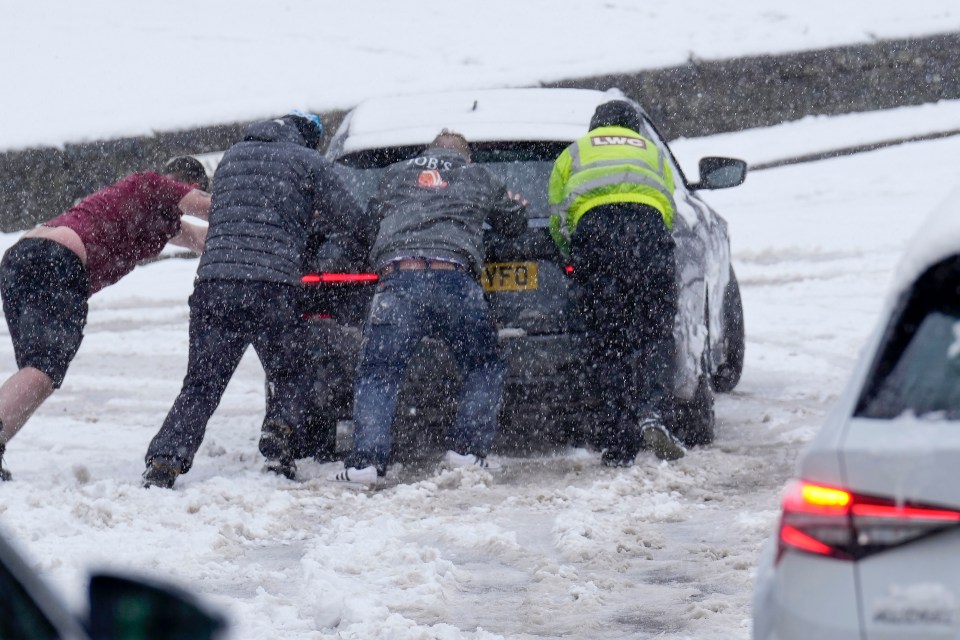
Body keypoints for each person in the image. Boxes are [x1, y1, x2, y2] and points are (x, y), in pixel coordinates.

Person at [142, 111, 366, 489]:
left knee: (201, 383)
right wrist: (321, 254)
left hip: (216, 282)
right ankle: (279, 442)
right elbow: (351, 217)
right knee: (290, 373)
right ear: (306, 138)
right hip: (272, 285)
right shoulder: (308, 161)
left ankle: (164, 461)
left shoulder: (232, 157)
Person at [330, 130, 528, 487]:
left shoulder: (395, 174)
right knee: (483, 364)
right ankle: (465, 452)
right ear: (466, 158)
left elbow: (366, 228)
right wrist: (515, 205)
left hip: (398, 280)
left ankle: (366, 464)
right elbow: (513, 224)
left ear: (428, 151)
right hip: (454, 279)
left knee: (379, 373)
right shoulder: (477, 176)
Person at [0, 157, 212, 481]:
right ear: (187, 185)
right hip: (56, 260)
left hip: (22, 261)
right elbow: (207, 208)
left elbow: (201, 238)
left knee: (37, 370)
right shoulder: (152, 184)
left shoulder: (158, 218)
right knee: (43, 369)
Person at [548, 99, 686, 466]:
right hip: (648, 242)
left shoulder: (574, 153)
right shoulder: (653, 153)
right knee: (655, 333)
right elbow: (668, 209)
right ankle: (653, 412)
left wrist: (571, 259)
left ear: (596, 126)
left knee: (608, 342)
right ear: (633, 128)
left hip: (597, 245)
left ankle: (617, 440)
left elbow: (559, 217)